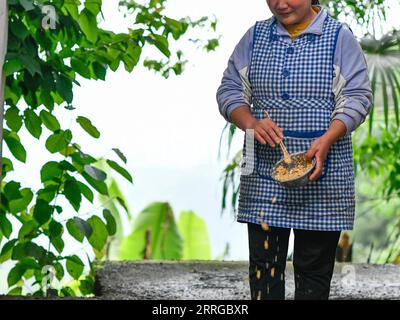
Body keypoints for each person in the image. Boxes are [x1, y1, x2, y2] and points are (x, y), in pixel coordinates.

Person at [216, 0, 373, 300]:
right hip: (263, 178)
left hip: (322, 179)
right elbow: (229, 89)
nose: (280, 3)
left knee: (313, 272)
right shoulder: (255, 37)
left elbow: (357, 96)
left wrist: (329, 137)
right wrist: (250, 121)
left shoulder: (339, 38)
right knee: (264, 269)